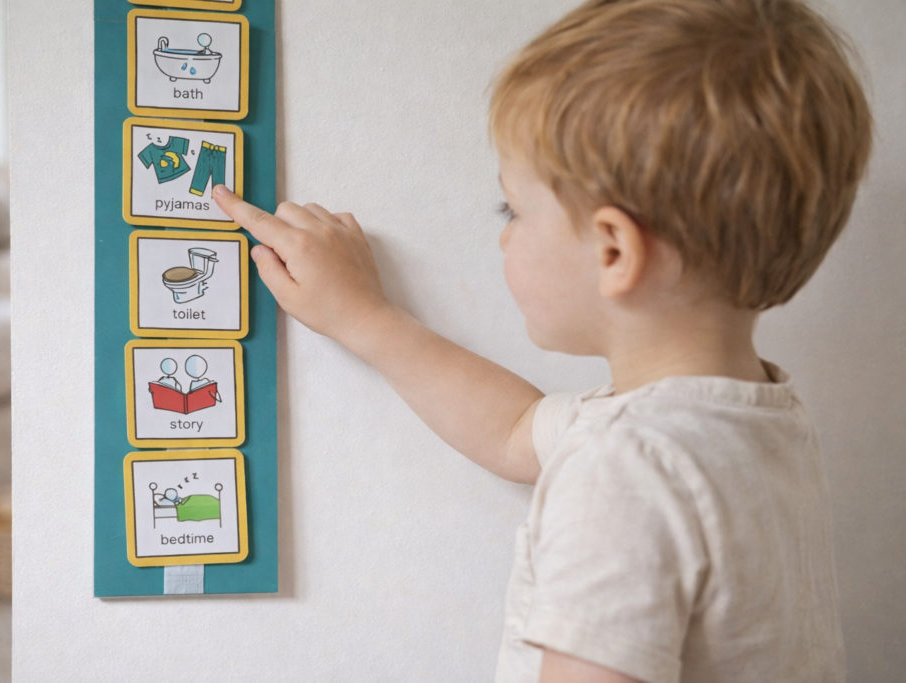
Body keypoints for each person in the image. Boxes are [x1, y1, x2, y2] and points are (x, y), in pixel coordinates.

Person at [213, 0, 872, 680]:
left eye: (514, 209)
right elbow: (515, 429)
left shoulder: (625, 468)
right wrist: (363, 316)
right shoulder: (757, 425)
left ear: (613, 250)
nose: (503, 233)